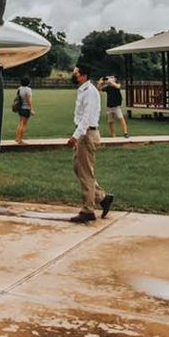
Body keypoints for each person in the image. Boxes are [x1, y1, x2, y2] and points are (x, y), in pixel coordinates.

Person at [67, 62, 113, 223]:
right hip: (84, 133)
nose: (74, 75)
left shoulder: (90, 92)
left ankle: (88, 210)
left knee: (85, 172)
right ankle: (102, 197)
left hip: (87, 134)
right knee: (79, 168)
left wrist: (75, 136)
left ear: (84, 75)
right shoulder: (83, 90)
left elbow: (86, 117)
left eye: (76, 73)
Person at [13, 76, 34, 144]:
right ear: (28, 83)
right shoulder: (28, 89)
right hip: (26, 108)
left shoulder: (19, 88)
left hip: (20, 108)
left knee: (20, 123)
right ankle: (20, 140)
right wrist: (31, 109)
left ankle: (17, 138)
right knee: (23, 125)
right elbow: (29, 99)